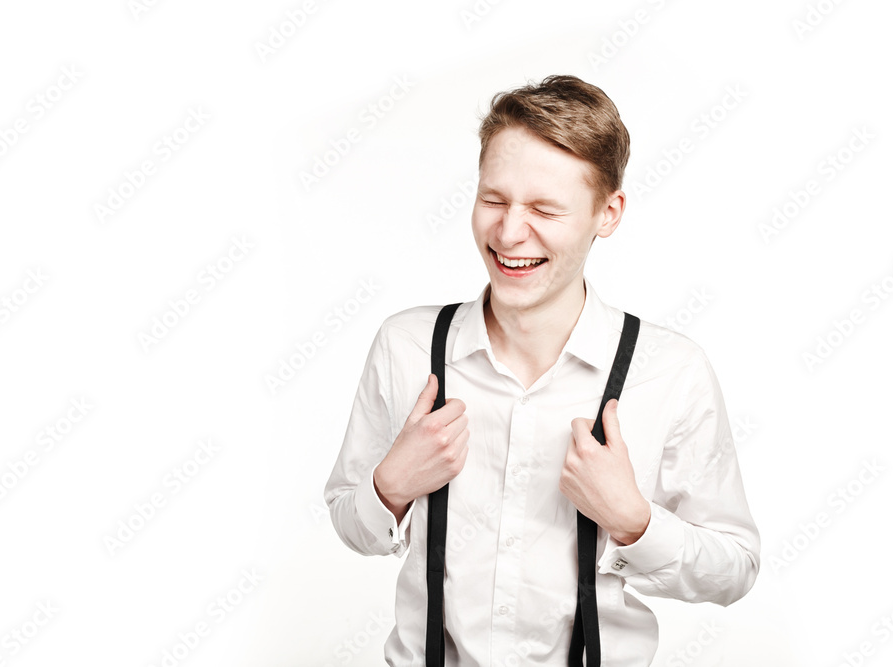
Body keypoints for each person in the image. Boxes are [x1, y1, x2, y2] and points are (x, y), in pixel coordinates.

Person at [323, 74, 760, 666]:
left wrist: (633, 521)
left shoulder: (670, 372)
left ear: (608, 213)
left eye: (544, 209)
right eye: (493, 200)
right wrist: (390, 487)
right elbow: (350, 522)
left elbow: (735, 569)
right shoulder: (407, 347)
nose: (508, 233)